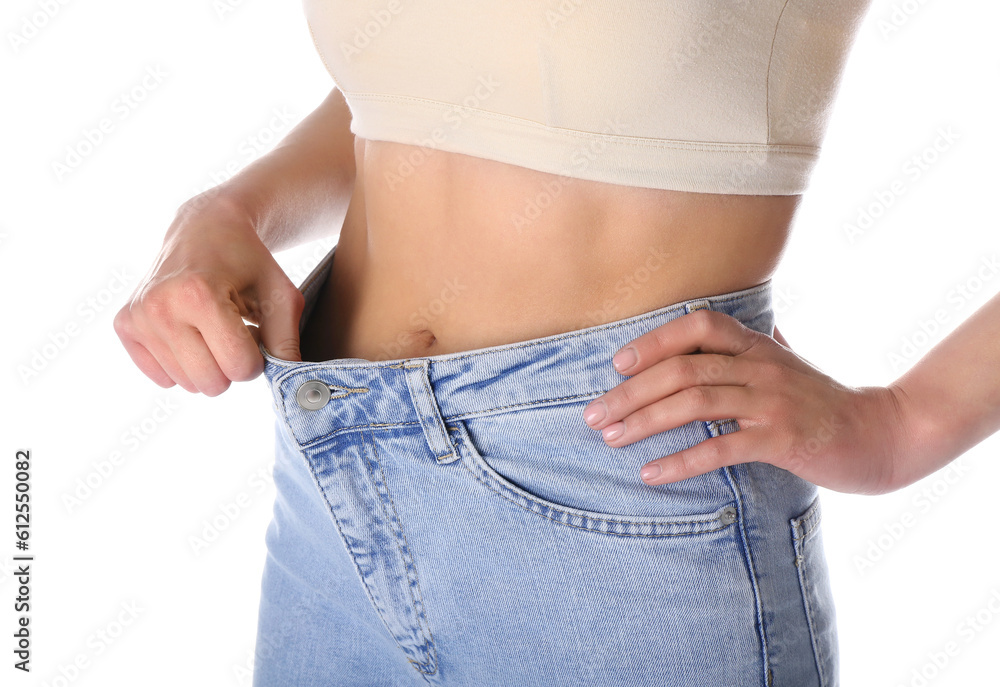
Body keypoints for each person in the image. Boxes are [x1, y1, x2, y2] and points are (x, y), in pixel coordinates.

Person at [113, 2, 1000, 685]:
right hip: (329, 503)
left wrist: (904, 426)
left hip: (625, 508)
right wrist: (232, 209)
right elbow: (440, 83)